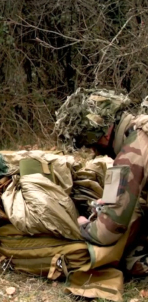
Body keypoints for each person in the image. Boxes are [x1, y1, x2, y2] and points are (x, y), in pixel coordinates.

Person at [54, 88, 148, 276]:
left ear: (105, 134)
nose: (95, 153)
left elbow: (106, 233)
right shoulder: (141, 130)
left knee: (132, 262)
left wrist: (83, 225)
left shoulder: (130, 155)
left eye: (92, 144)